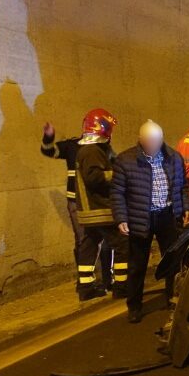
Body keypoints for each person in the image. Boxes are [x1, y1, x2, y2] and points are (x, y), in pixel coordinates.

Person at [111, 121, 189, 323]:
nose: (153, 145)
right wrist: (121, 218)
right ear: (140, 140)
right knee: (137, 265)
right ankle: (134, 306)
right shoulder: (126, 160)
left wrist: (187, 207)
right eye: (148, 141)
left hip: (167, 214)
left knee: (172, 261)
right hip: (140, 217)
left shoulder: (173, 157)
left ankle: (172, 298)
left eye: (156, 141)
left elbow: (183, 186)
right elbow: (117, 193)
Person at [40, 122, 112, 291]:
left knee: (101, 241)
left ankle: (104, 280)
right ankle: (86, 282)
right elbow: (48, 150)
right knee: (85, 240)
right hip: (78, 202)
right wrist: (48, 137)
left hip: (97, 201)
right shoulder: (72, 146)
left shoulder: (103, 148)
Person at [74, 108, 129, 301]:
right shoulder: (92, 151)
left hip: (91, 211)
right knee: (123, 244)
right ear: (102, 128)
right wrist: (118, 174)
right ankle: (122, 286)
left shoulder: (87, 149)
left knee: (90, 246)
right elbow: (94, 178)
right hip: (102, 210)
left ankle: (86, 287)